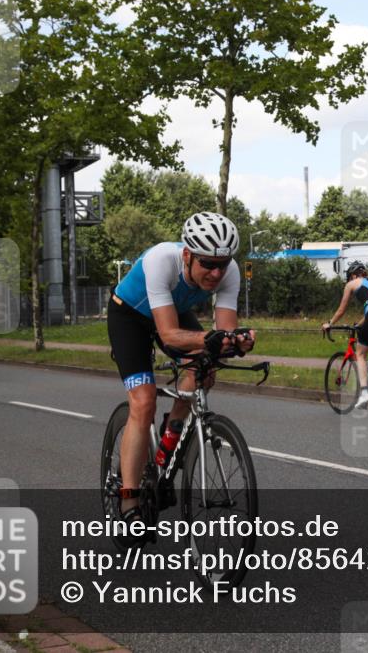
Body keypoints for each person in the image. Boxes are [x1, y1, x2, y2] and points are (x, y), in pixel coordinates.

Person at [107, 212, 256, 533]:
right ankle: (128, 501)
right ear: (187, 255)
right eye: (207, 264)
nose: (217, 272)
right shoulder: (162, 260)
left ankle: (172, 431)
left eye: (223, 263)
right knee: (143, 402)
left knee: (207, 367)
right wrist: (220, 339)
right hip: (129, 316)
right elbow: (171, 335)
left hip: (172, 313)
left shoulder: (229, 271)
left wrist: (237, 342)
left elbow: (224, 336)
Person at [321, 260, 368, 409]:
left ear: (353, 275)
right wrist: (359, 324)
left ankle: (364, 393)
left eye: (350, 276)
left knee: (360, 353)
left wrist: (329, 323)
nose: (350, 280)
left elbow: (341, 310)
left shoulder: (351, 284)